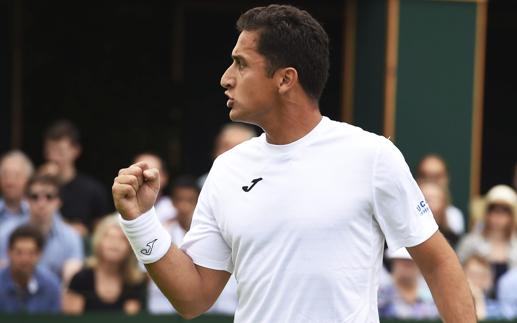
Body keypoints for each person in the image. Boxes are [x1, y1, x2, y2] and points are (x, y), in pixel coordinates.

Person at [112, 4, 476, 322]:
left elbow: (438, 263)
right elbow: (192, 299)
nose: (226, 78)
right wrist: (141, 221)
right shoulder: (227, 169)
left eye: (241, 64)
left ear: (286, 79)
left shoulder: (372, 155)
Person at [0, 175, 84, 281]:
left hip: (56, 296)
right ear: (25, 200)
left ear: (58, 202)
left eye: (49, 197)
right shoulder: (5, 232)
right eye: (35, 196)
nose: (41, 203)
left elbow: (72, 280)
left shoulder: (71, 237)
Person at [62, 214, 146, 314]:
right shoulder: (80, 279)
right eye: (109, 237)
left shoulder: (134, 282)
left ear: (130, 247)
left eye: (122, 239)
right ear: (99, 241)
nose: (114, 244)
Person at [44, 120, 110, 236]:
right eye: (50, 151)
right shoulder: (38, 186)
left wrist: (87, 230)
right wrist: (41, 180)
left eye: (60, 151)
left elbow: (102, 229)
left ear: (76, 151)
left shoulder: (92, 190)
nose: (54, 157)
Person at [457, 185, 517, 292]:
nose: (498, 215)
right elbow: (457, 273)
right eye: (493, 209)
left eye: (505, 210)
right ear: (486, 213)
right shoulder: (470, 243)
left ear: (512, 216)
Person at [0, 225, 60, 313]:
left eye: (31, 253)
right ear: (9, 252)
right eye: (19, 252)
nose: (25, 259)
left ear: (39, 254)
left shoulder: (51, 286)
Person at [377, 248, 438, 319]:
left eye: (411, 261)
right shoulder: (380, 294)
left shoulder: (433, 297)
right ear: (393, 262)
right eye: (402, 260)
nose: (407, 265)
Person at [415, 154, 465, 235]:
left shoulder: (454, 216)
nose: (431, 181)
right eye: (425, 176)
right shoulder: (405, 212)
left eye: (437, 176)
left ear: (446, 178)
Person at [197, 123, 257, 188]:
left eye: (237, 149)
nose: (228, 155)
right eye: (225, 147)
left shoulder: (263, 185)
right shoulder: (201, 185)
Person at [133, 153, 176, 224]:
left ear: (164, 177)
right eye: (140, 174)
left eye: (151, 173)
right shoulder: (118, 217)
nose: (145, 178)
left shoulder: (175, 212)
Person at [419, 181, 460, 247]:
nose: (428, 205)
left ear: (444, 204)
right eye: (425, 200)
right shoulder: (407, 237)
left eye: (434, 200)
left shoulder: (454, 239)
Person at [0, 150, 34, 225]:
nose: (10, 182)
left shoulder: (38, 211)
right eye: (5, 176)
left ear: (28, 180)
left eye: (16, 176)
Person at [462, 254, 501, 320]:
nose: (477, 281)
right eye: (472, 275)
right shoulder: (451, 305)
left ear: (490, 280)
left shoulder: (498, 310)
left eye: (482, 276)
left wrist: (479, 300)